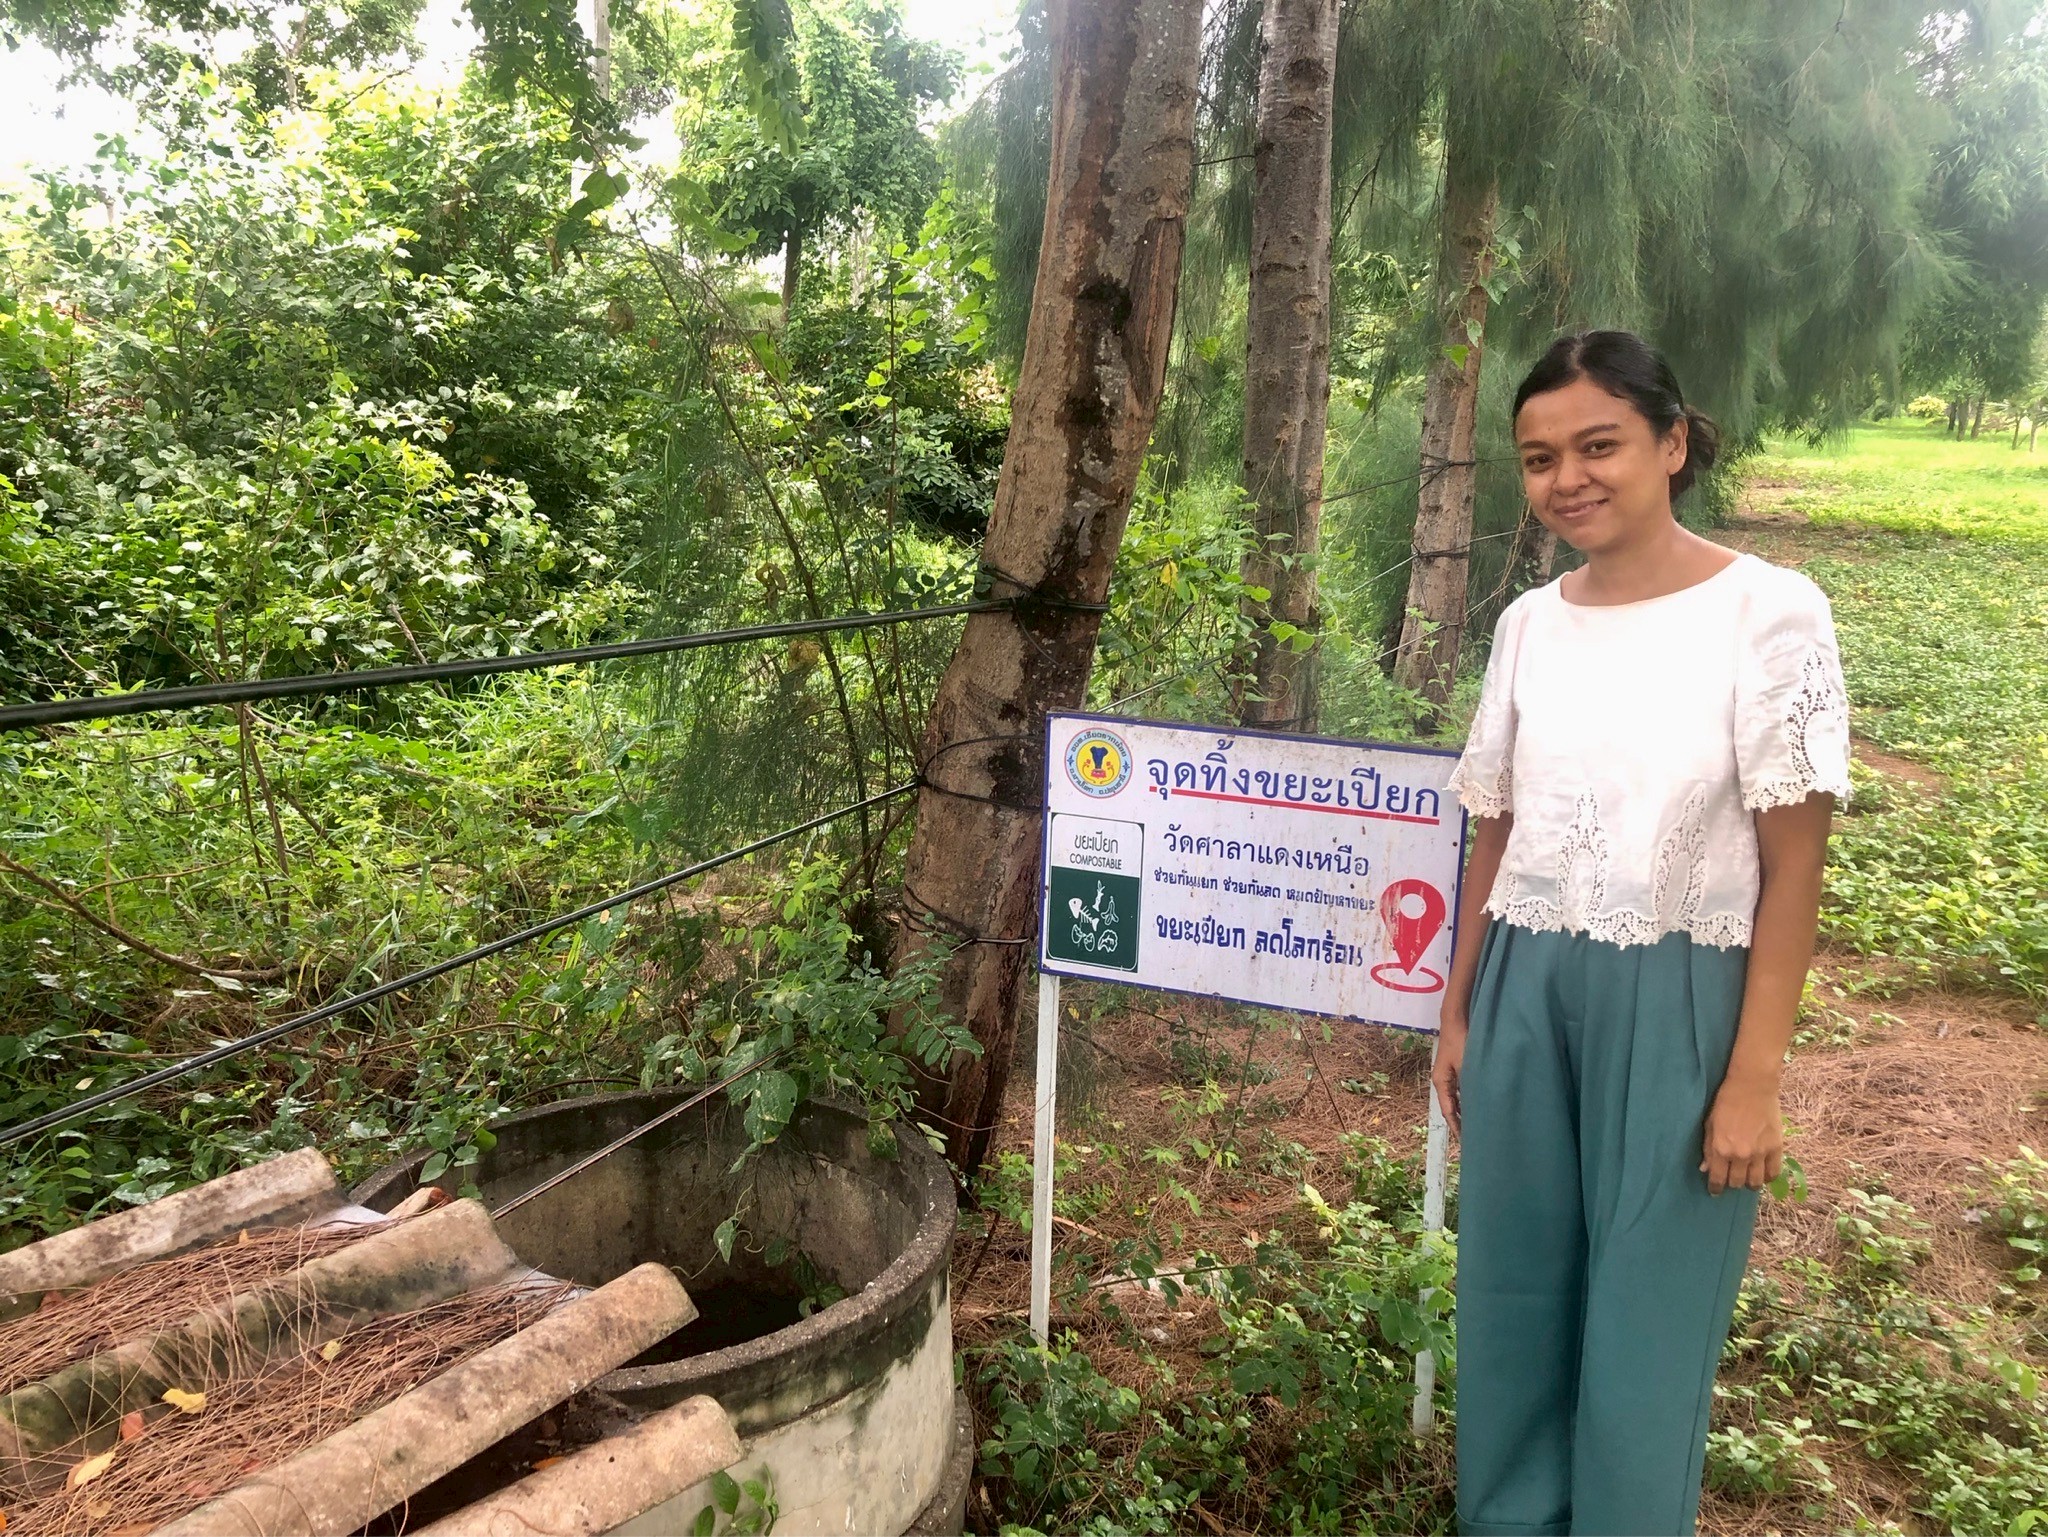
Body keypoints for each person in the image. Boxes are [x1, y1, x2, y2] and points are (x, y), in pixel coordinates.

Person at [1434, 330, 1851, 1536]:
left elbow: (1792, 865)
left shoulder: (1767, 611)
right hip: (1522, 982)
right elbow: (1496, 830)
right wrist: (1457, 1011)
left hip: (1679, 995)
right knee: (1510, 1290)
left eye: (1597, 445)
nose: (1566, 477)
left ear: (1670, 444)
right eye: (1538, 457)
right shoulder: (1526, 625)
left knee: (1646, 1317)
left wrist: (1752, 1078)